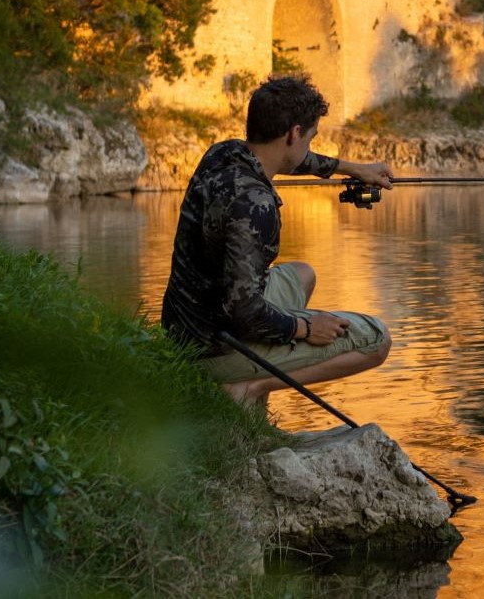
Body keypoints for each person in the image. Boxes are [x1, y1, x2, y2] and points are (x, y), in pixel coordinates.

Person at [161, 74, 394, 406]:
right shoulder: (256, 206)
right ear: (294, 133)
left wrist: (353, 169)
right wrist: (306, 328)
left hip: (184, 322)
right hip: (213, 344)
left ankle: (253, 394)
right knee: (376, 339)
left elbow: (297, 159)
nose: (309, 147)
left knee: (303, 274)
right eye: (310, 137)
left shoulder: (223, 154)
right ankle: (246, 389)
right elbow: (244, 310)